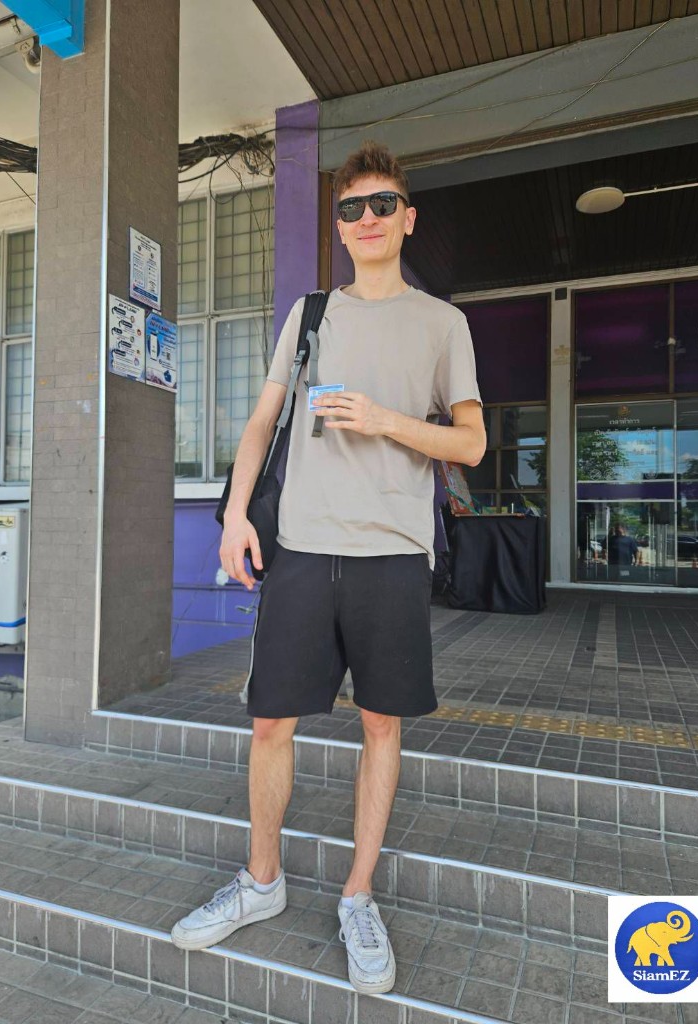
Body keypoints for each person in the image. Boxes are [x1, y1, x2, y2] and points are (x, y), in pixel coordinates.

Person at [171, 141, 485, 994]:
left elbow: (471, 443)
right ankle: (261, 881)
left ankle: (357, 895)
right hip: (303, 551)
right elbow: (262, 422)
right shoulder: (311, 314)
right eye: (352, 209)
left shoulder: (441, 324)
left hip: (392, 555)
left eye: (383, 205)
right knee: (270, 724)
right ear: (339, 228)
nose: (367, 219)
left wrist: (386, 420)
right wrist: (235, 515)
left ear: (407, 218)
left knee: (381, 726)